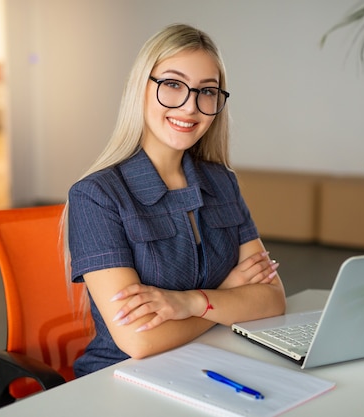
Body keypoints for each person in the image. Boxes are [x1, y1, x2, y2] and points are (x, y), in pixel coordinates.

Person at [64, 23, 286, 377]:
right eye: (172, 84)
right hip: (122, 378)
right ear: (142, 88)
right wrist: (225, 298)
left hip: (211, 364)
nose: (190, 107)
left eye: (207, 91)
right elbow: (139, 342)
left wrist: (191, 302)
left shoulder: (221, 183)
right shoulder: (97, 196)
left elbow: (272, 300)